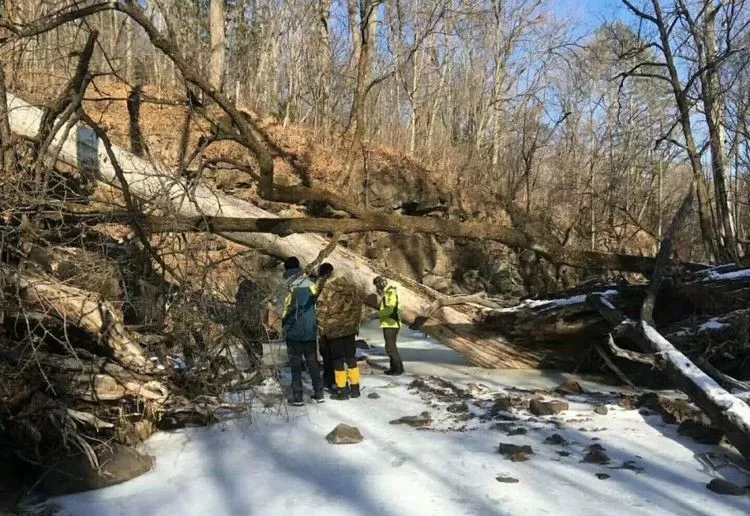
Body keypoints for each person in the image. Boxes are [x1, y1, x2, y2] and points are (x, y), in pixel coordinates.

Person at [315, 263, 363, 400]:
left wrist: (321, 328)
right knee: (351, 359)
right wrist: (355, 325)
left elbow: (322, 311)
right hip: (349, 329)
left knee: (337, 360)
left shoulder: (328, 290)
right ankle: (355, 388)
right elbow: (359, 308)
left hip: (334, 330)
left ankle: (342, 390)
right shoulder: (352, 287)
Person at [281, 257, 324, 405]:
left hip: (294, 332)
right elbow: (316, 305)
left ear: (286, 269)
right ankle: (319, 393)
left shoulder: (287, 285)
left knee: (296, 365)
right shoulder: (310, 284)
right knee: (312, 363)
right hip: (310, 331)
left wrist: (284, 327)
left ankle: (298, 396)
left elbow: (286, 310)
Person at [374, 276, 404, 375]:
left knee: (391, 347)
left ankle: (398, 368)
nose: (377, 288)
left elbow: (391, 309)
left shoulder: (391, 292)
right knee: (389, 347)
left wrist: (377, 314)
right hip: (388, 323)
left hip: (392, 323)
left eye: (377, 285)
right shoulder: (387, 293)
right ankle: (393, 368)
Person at [235, 277, 264, 367]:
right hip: (256, 321)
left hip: (245, 322)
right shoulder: (256, 292)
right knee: (257, 342)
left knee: (248, 343)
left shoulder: (241, 294)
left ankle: (254, 363)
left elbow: (239, 308)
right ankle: (258, 360)